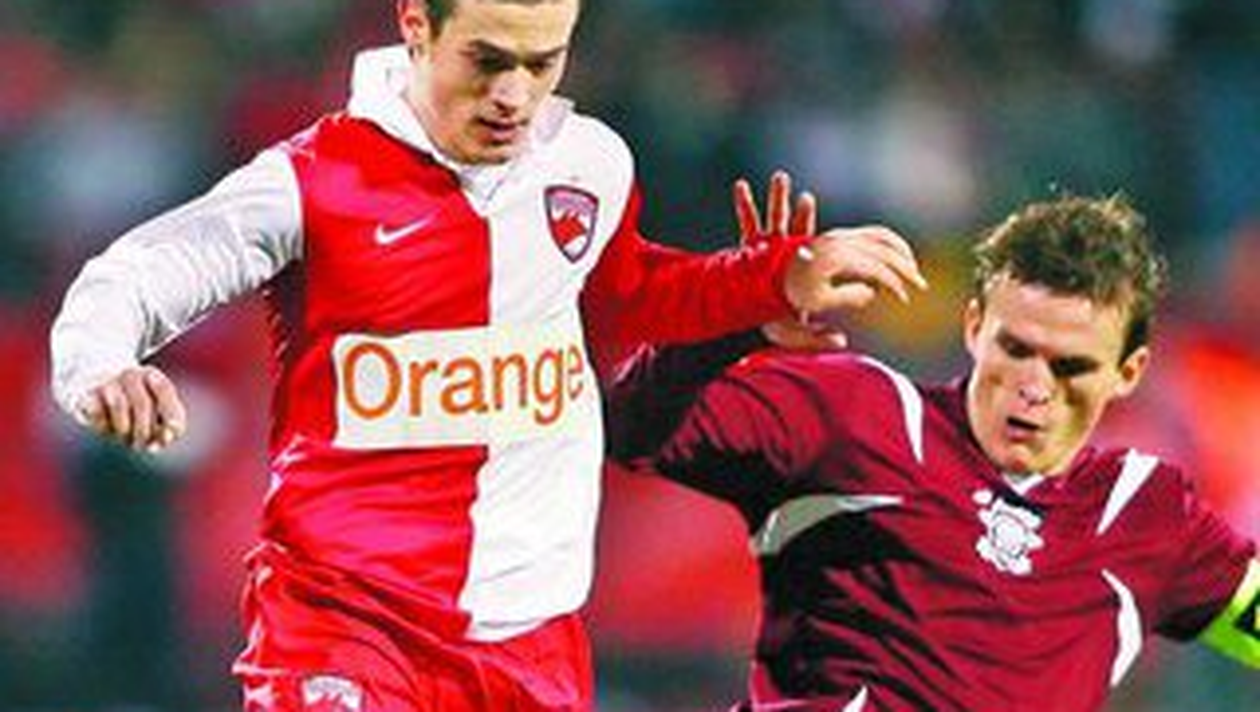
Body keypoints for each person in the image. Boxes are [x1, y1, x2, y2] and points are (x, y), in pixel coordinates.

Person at [47, 1, 892, 710]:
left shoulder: (588, 163)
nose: (513, 96)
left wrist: (771, 282)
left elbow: (626, 296)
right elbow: (143, 272)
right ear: (416, 26)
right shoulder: (314, 180)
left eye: (542, 62)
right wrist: (101, 363)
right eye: (486, 61)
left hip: (533, 639)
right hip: (347, 625)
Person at [608, 194, 1260, 711]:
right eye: (1016, 349)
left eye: (1072, 366)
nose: (1035, 387)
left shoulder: (1146, 515)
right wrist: (736, 315)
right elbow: (624, 423)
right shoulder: (853, 414)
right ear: (975, 326)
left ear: (1128, 372)